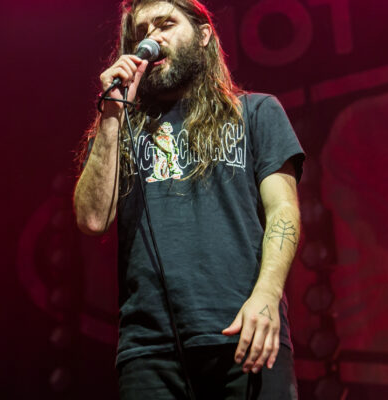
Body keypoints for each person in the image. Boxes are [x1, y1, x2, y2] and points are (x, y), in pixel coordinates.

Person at [74, 0, 305, 398]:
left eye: (165, 24)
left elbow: (283, 211)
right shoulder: (120, 129)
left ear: (203, 36)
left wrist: (267, 296)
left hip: (246, 331)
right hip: (151, 351)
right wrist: (111, 113)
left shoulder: (256, 112)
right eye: (141, 32)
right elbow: (92, 219)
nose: (151, 39)